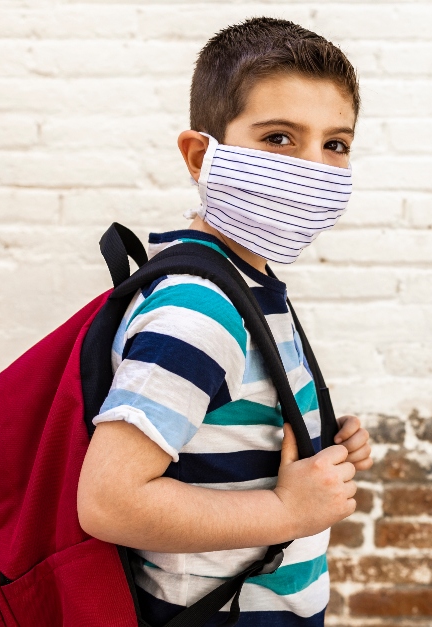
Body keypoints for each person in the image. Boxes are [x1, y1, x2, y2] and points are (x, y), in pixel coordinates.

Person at [76, 18, 372, 627]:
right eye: (280, 138)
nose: (314, 168)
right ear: (200, 155)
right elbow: (108, 503)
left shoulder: (248, 286)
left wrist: (319, 441)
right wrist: (291, 512)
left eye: (335, 144)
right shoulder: (198, 311)